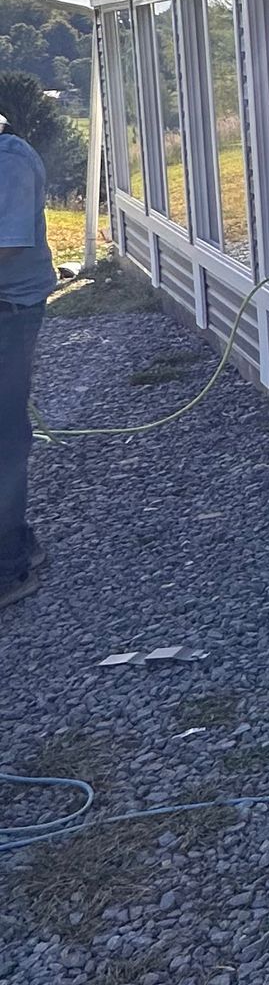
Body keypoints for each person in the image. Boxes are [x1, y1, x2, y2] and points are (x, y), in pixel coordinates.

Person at [0, 109, 55, 610]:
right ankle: (16, 543)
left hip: (9, 312)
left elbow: (8, 247)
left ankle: (7, 571)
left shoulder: (9, 159)